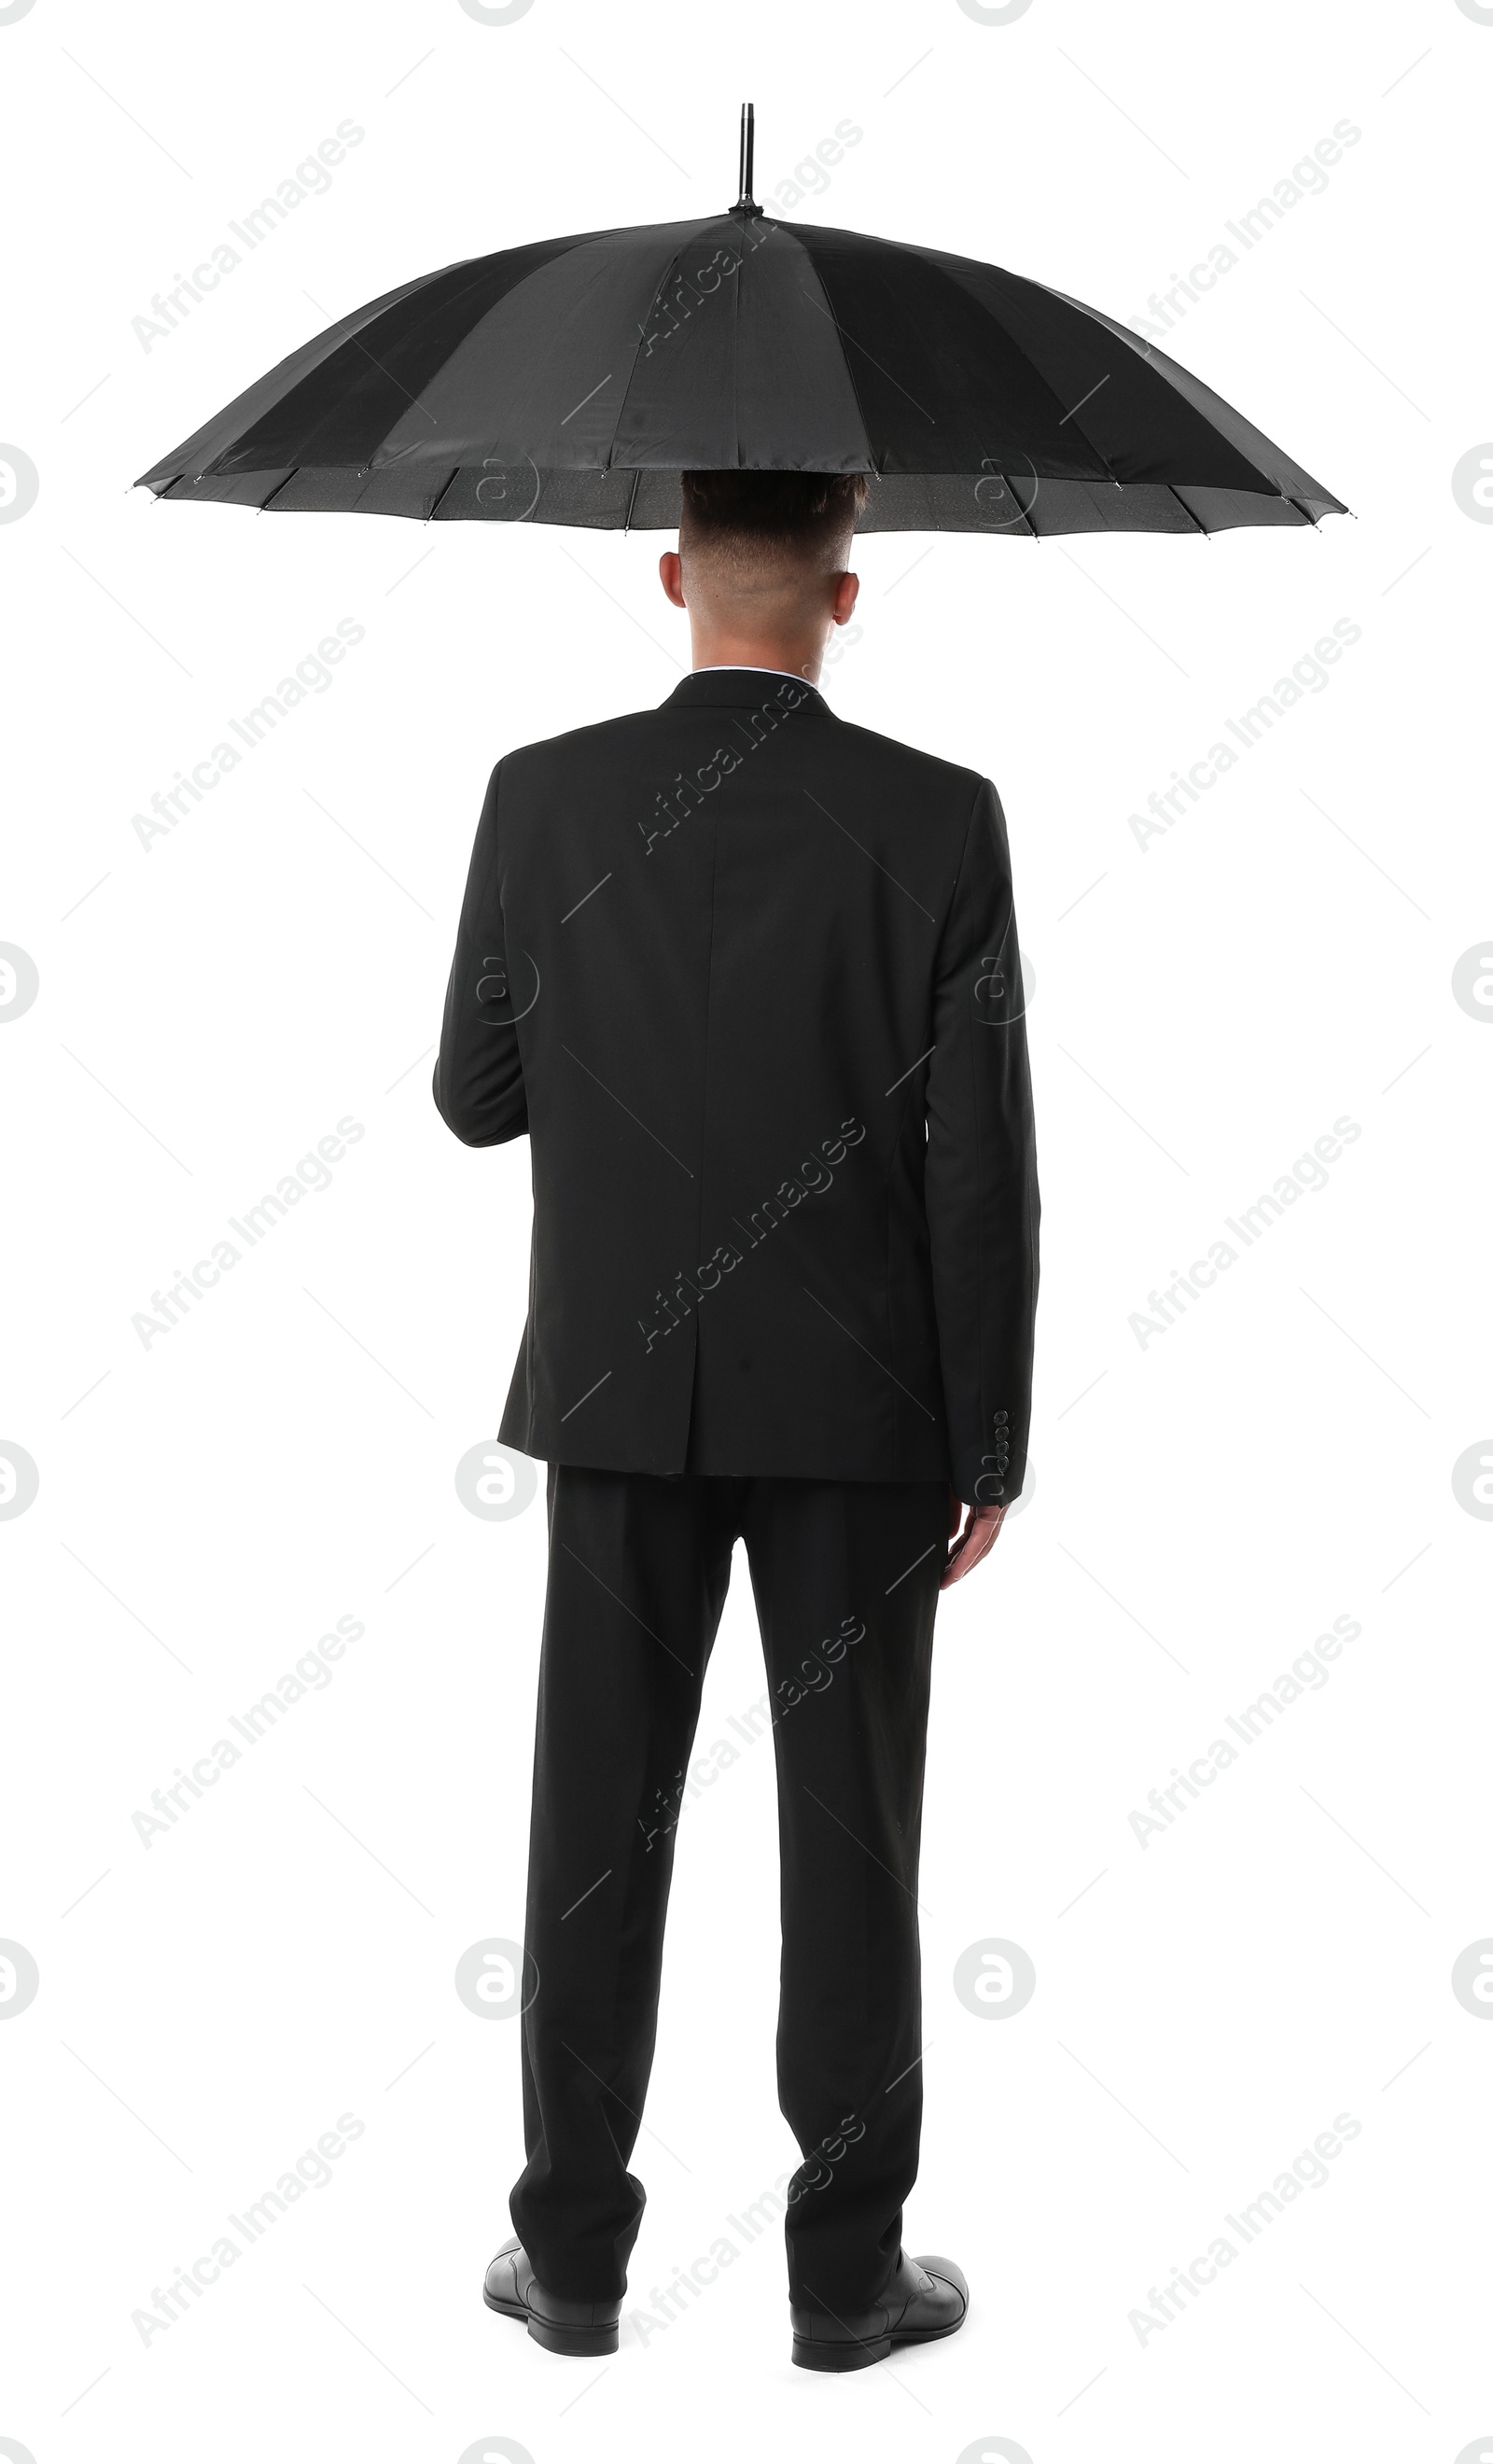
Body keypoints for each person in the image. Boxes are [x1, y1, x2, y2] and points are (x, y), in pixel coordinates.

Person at [433, 469, 1039, 2372]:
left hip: (618, 1392)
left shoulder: (541, 795)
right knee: (849, 1838)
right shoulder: (939, 819)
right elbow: (980, 1172)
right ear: (844, 591)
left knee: (590, 1837)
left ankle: (576, 2266)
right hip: (863, 1409)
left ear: (674, 569)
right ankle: (847, 2283)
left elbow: (473, 1094)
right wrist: (987, 1436)